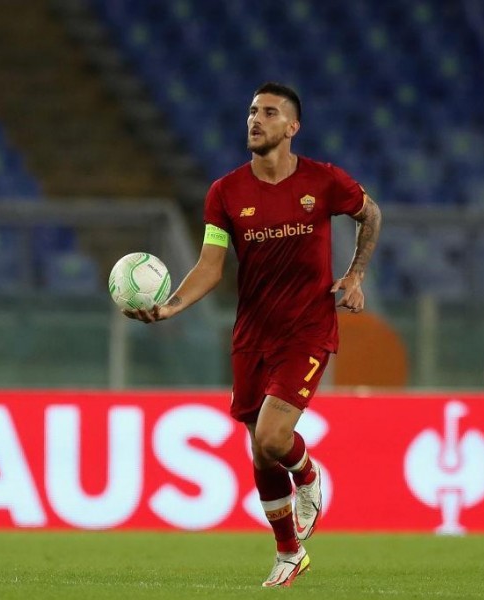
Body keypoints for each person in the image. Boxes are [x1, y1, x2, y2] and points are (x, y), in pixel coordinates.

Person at [125, 82, 381, 588]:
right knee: (259, 449)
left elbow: (369, 214)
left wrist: (355, 275)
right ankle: (289, 552)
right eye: (250, 112)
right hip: (252, 334)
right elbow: (209, 266)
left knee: (272, 436)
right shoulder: (225, 193)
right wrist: (169, 307)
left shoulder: (324, 181)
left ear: (292, 127)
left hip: (306, 329)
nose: (255, 120)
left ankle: (308, 476)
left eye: (268, 112)